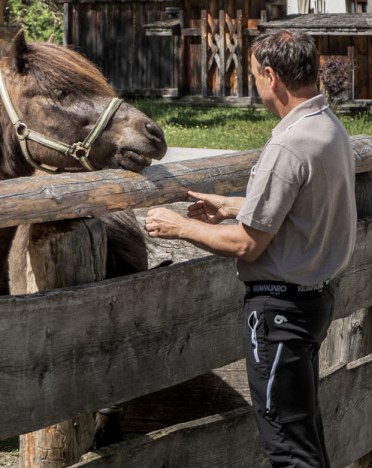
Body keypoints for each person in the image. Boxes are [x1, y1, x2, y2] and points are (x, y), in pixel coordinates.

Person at [146, 30, 356, 467]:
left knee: (287, 446)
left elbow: (247, 244)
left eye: (254, 73)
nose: (254, 84)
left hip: (279, 314)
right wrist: (230, 205)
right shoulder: (327, 127)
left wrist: (179, 226)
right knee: (303, 434)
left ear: (270, 75)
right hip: (311, 304)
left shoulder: (288, 143)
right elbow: (299, 208)